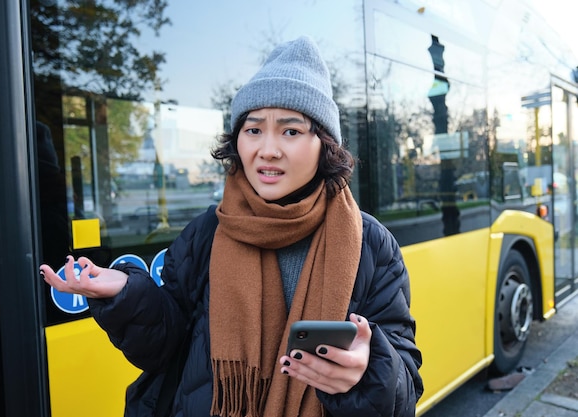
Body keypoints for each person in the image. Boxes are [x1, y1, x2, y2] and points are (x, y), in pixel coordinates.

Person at [40, 36, 423, 417]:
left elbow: (404, 386)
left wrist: (369, 370)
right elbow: (164, 347)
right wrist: (127, 293)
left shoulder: (370, 244)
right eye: (253, 129)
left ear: (324, 144)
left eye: (290, 131)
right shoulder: (208, 231)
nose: (268, 149)